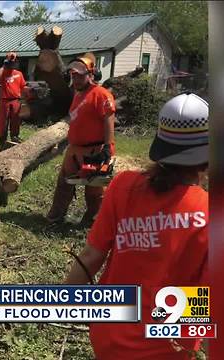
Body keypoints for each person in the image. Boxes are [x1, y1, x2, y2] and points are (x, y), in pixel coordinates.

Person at [64, 93, 209, 359]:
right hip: (167, 349)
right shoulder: (210, 212)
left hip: (109, 336)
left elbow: (91, 255)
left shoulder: (124, 186)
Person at [45, 53, 116, 227]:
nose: (75, 79)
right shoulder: (78, 94)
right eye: (73, 75)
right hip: (75, 149)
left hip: (94, 150)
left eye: (79, 75)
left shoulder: (101, 95)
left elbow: (108, 121)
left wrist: (107, 147)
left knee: (94, 189)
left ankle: (93, 222)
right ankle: (55, 218)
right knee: (64, 184)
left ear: (90, 74)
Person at [0, 52, 27, 149]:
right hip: (5, 101)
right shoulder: (3, 73)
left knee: (16, 120)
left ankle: (15, 137)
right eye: (11, 62)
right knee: (3, 122)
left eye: (14, 62)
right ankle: (2, 141)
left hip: (16, 100)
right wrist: (5, 64)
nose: (13, 63)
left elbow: (23, 86)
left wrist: (29, 93)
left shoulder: (19, 74)